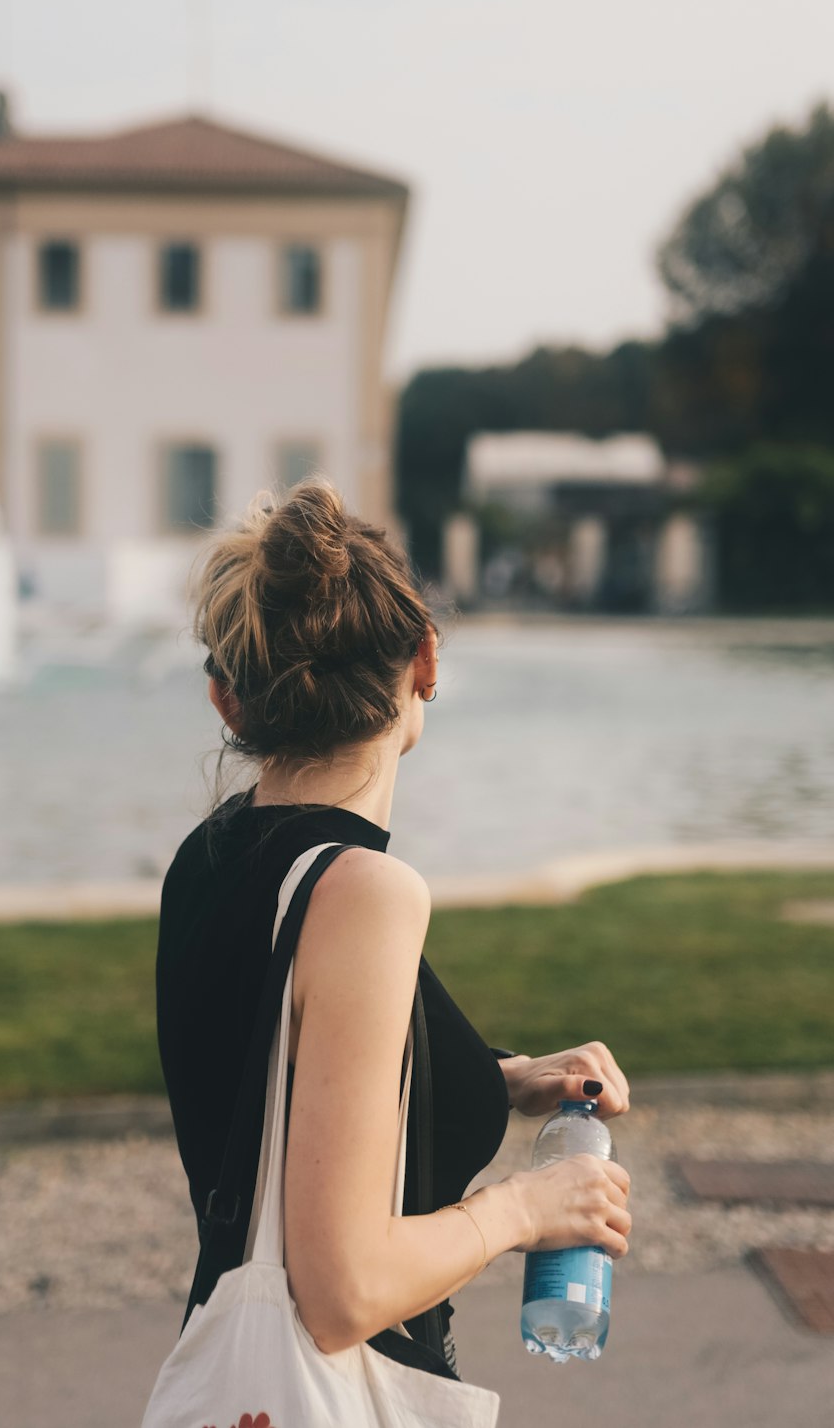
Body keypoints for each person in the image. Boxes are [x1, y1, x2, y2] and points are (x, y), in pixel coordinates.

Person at [156, 478, 631, 1384]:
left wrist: (506, 1078)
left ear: (228, 703)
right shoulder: (363, 892)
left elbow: (284, 1085)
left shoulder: (210, 859)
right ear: (425, 661)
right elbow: (343, 1291)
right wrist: (529, 1209)